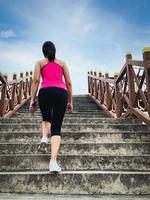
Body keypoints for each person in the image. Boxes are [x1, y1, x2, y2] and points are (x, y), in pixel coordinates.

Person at [29, 41, 73, 173]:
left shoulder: (39, 63)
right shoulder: (62, 63)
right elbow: (69, 83)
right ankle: (53, 162)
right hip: (60, 93)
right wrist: (70, 101)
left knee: (46, 117)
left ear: (43, 52)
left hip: (45, 92)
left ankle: (44, 137)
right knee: (56, 128)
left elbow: (36, 81)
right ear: (55, 50)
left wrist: (32, 100)